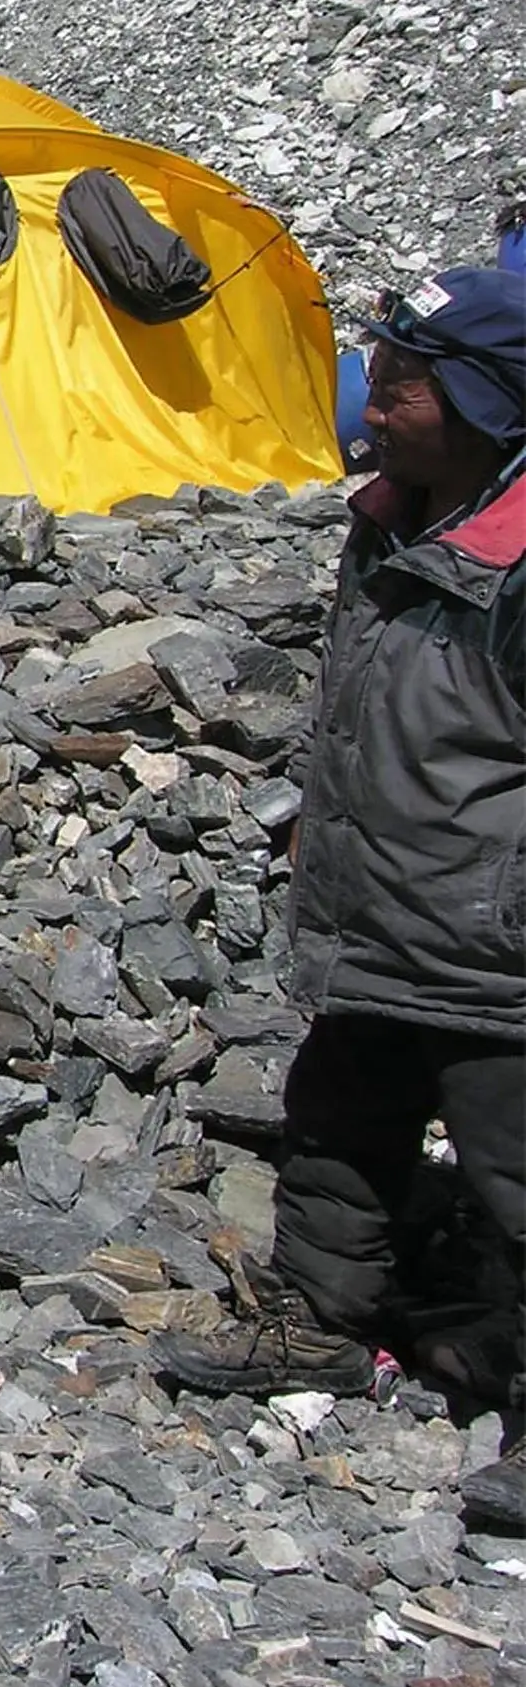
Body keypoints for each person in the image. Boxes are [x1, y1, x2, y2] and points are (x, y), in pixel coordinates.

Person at [155, 265, 525, 1531]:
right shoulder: (394, 515)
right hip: (377, 912)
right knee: (337, 1129)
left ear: (484, 398)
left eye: (407, 374)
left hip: (495, 944)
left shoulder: (515, 556)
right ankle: (317, 1324)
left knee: (517, 1163)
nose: (376, 389)